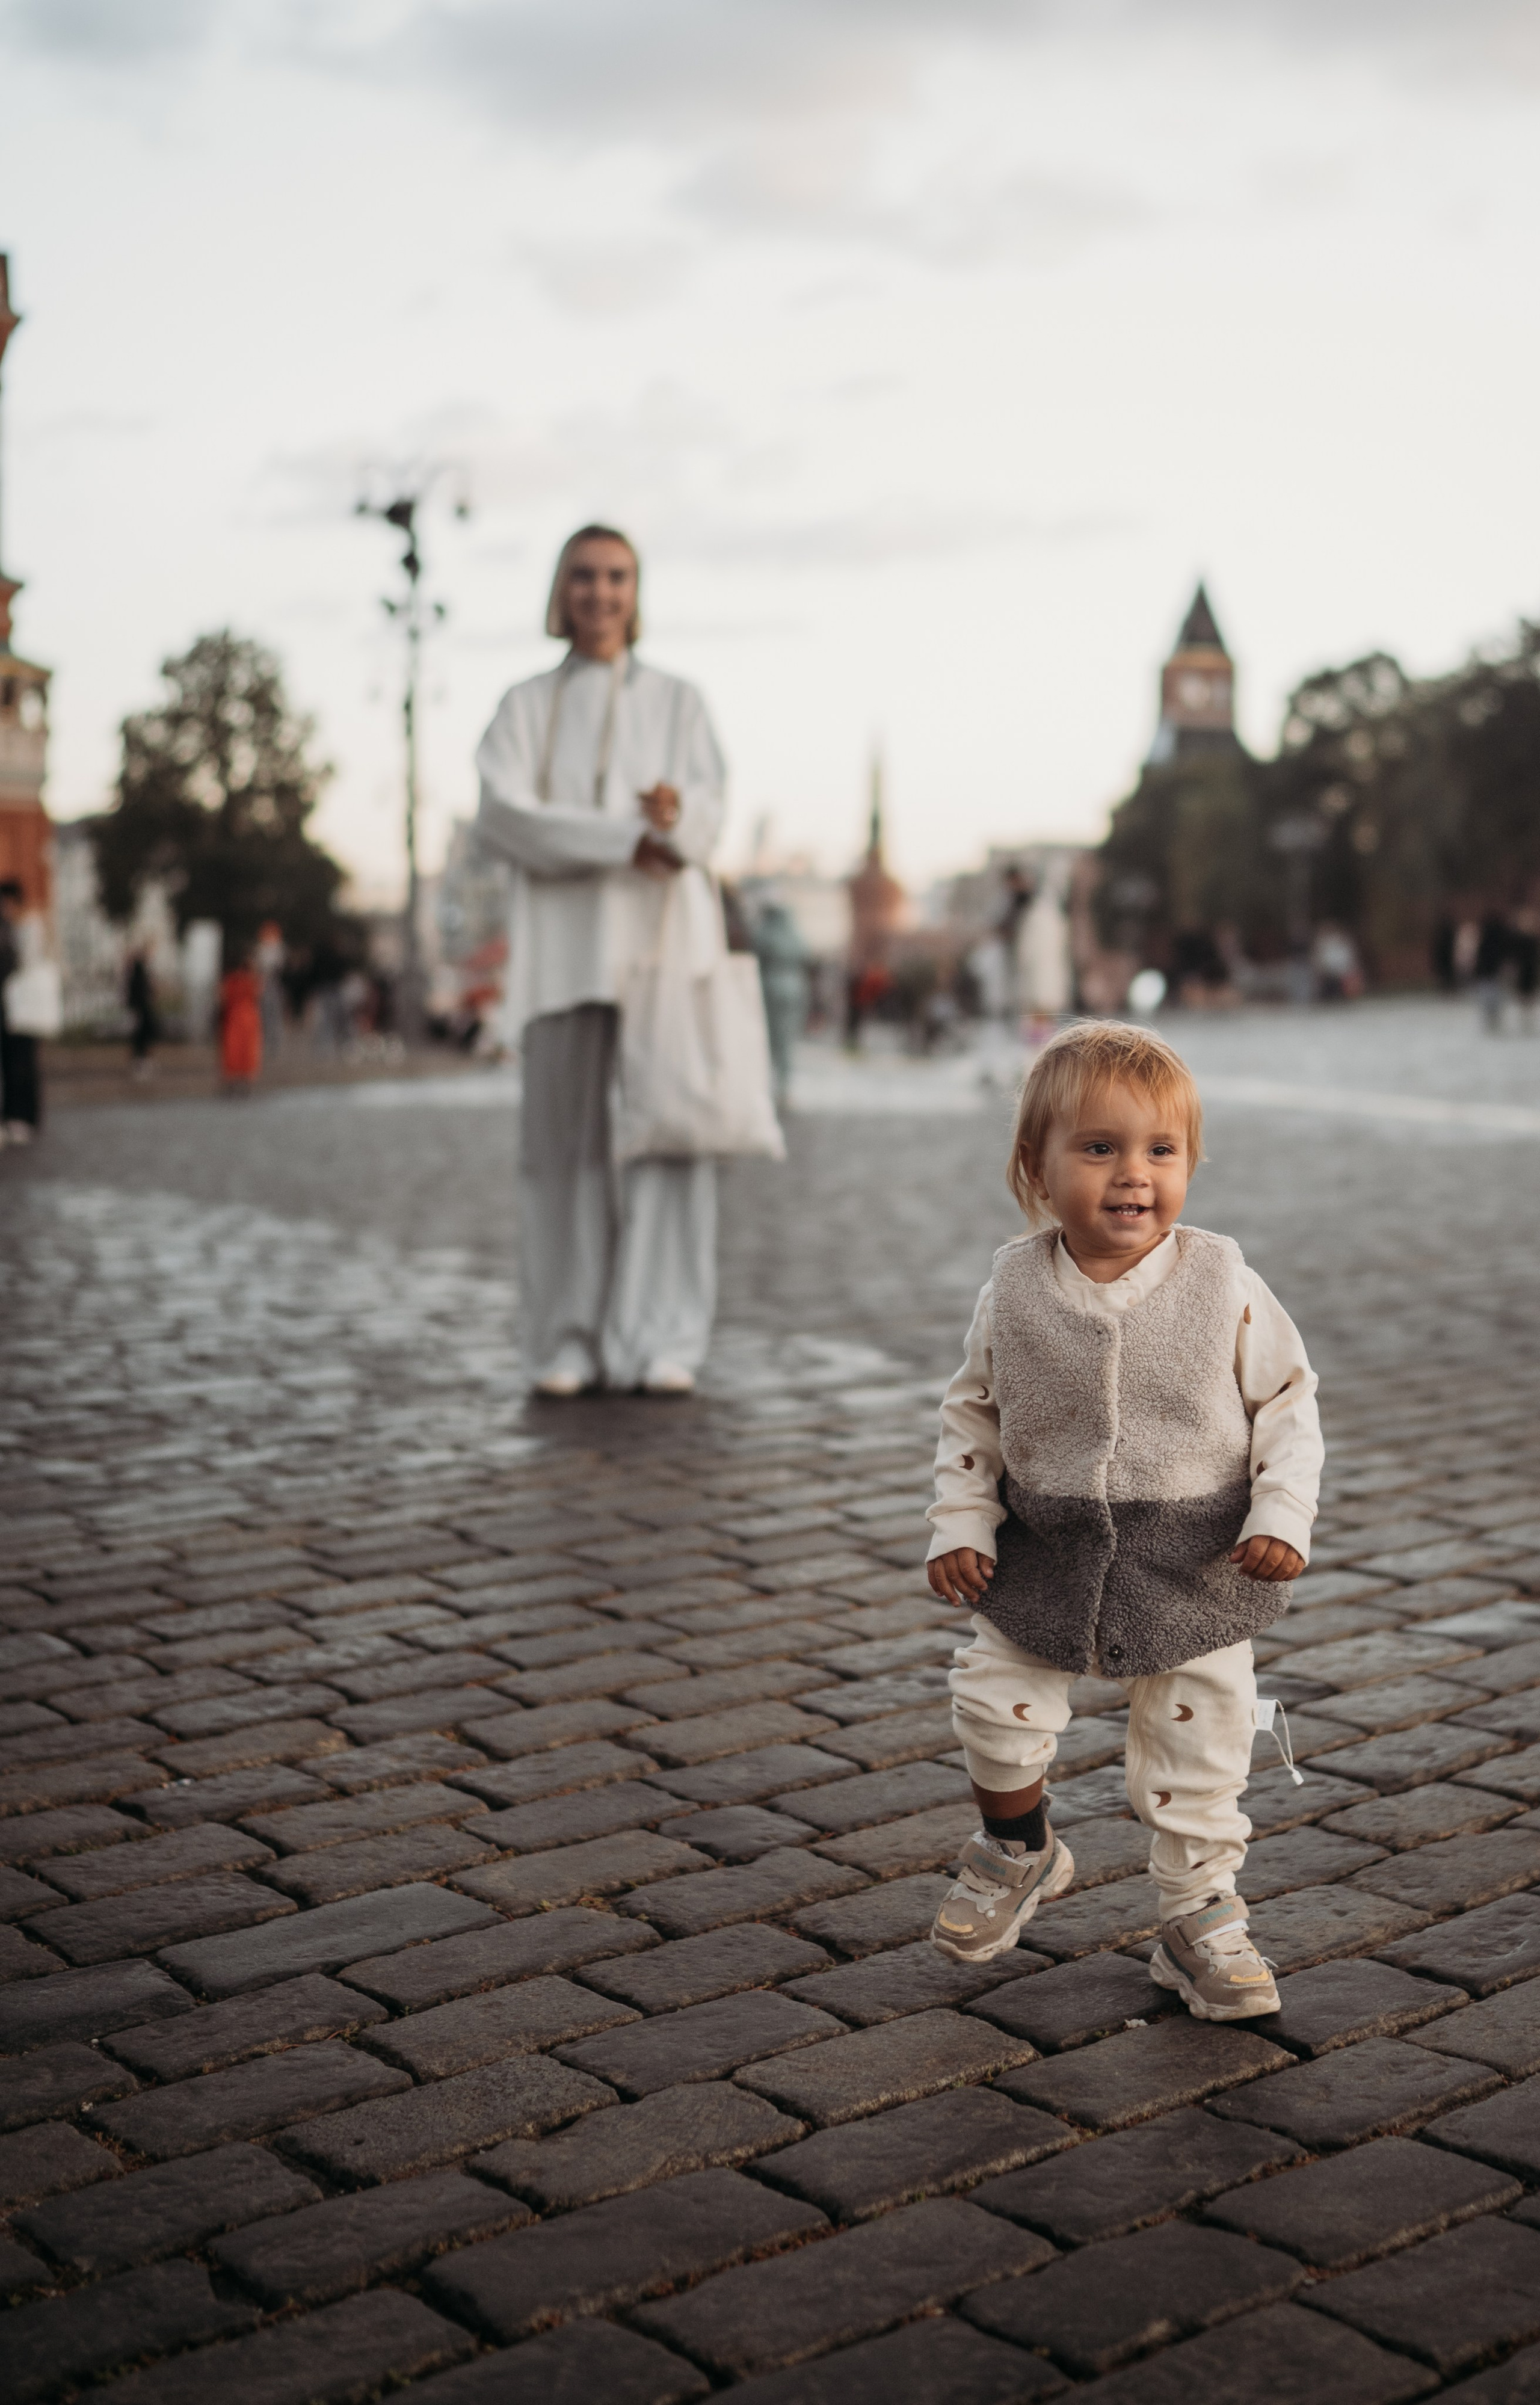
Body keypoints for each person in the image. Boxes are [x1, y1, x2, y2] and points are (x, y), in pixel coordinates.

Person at [923, 1020, 1322, 2019]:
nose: (1132, 1174)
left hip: (1197, 1564)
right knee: (991, 1707)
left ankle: (1199, 1915)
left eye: (1160, 1150)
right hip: (1045, 1553)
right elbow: (973, 1410)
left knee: (1202, 1751)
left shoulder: (1223, 1282)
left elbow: (1288, 1399)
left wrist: (1281, 1508)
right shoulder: (1012, 1289)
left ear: (1190, 1163)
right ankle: (1018, 1847)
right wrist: (963, 1521)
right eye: (1098, 1147)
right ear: (1037, 1166)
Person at [475, 524, 728, 1396]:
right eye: (584, 576)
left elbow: (707, 818)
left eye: (618, 577)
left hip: (662, 949)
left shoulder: (679, 700)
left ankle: (665, 1333)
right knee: (560, 1151)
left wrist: (675, 817)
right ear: (560, 588)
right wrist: (631, 839)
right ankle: (567, 1334)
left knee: (669, 1137)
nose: (601, 593)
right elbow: (505, 819)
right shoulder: (522, 706)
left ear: (636, 590)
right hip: (561, 956)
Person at [0, 879, 48, 1143]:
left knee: (21, 1063)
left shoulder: (26, 927)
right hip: (18, 1008)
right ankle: (18, 1117)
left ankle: (22, 1117)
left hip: (22, 1008)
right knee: (18, 1063)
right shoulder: (19, 927)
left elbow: (19, 964)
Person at [218, 948, 263, 1091]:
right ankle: (245, 1079)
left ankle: (233, 1079)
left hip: (234, 1017)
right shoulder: (251, 980)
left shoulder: (230, 980)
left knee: (233, 1049)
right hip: (248, 1017)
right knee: (246, 1049)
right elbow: (258, 994)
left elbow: (223, 998)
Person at [125, 949, 159, 1077]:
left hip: (140, 1013)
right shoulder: (141, 978)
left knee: (139, 1039)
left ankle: (140, 1063)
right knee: (142, 1039)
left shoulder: (135, 978)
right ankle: (141, 1064)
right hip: (143, 1013)